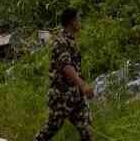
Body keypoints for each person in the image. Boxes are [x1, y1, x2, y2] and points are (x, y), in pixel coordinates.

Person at [33, 8, 94, 141]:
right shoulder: (61, 41)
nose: (80, 21)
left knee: (86, 129)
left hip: (75, 96)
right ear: (72, 22)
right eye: (78, 18)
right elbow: (66, 67)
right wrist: (83, 85)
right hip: (61, 96)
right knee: (50, 129)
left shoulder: (71, 40)